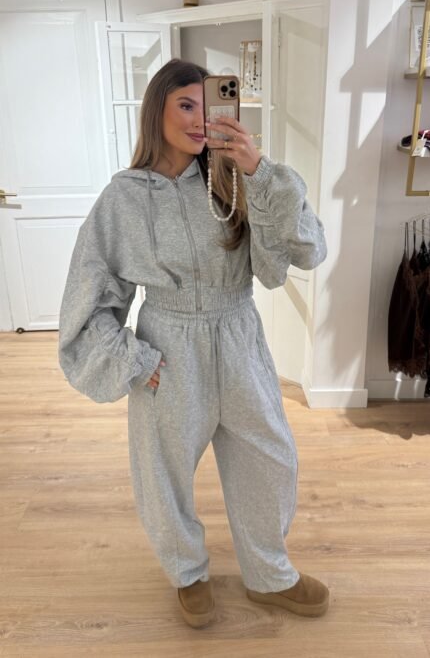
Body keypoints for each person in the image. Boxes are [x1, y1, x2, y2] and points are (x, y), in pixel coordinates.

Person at [58, 58, 329, 628]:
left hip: (238, 332)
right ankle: (187, 572)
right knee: (162, 470)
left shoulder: (233, 179)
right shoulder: (124, 198)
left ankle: (269, 573)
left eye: (209, 105)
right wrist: (131, 359)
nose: (200, 119)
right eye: (186, 105)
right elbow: (90, 288)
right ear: (155, 109)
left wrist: (257, 170)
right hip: (169, 343)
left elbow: (301, 251)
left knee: (270, 457)